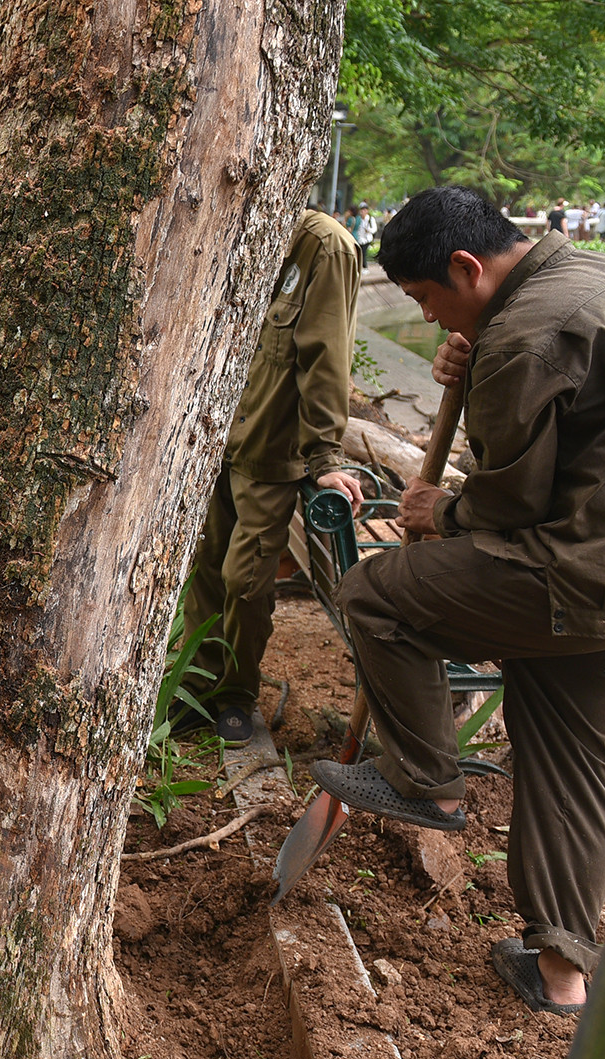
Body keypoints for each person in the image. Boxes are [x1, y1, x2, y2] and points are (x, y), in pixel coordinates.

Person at [310, 185, 605, 1015]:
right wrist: (477, 339)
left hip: (575, 578)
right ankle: (561, 974)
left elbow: (505, 508)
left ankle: (428, 780)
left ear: (467, 266)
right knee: (572, 763)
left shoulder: (525, 337)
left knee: (377, 596)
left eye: (427, 300)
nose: (426, 321)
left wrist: (439, 509)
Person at [185, 205, 366, 748]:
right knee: (206, 566)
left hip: (270, 448)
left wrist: (326, 458)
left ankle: (234, 695)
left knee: (246, 579)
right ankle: (195, 687)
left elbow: (325, 357)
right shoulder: (235, 214)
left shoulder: (324, 246)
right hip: (215, 435)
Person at [345, 201, 377, 268]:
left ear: (367, 211)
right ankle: (360, 267)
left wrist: (368, 230)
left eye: (364, 210)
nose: (362, 211)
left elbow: (374, 229)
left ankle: (365, 267)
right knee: (359, 254)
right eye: (361, 210)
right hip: (359, 239)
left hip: (367, 239)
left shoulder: (370, 219)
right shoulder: (358, 219)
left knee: (363, 253)